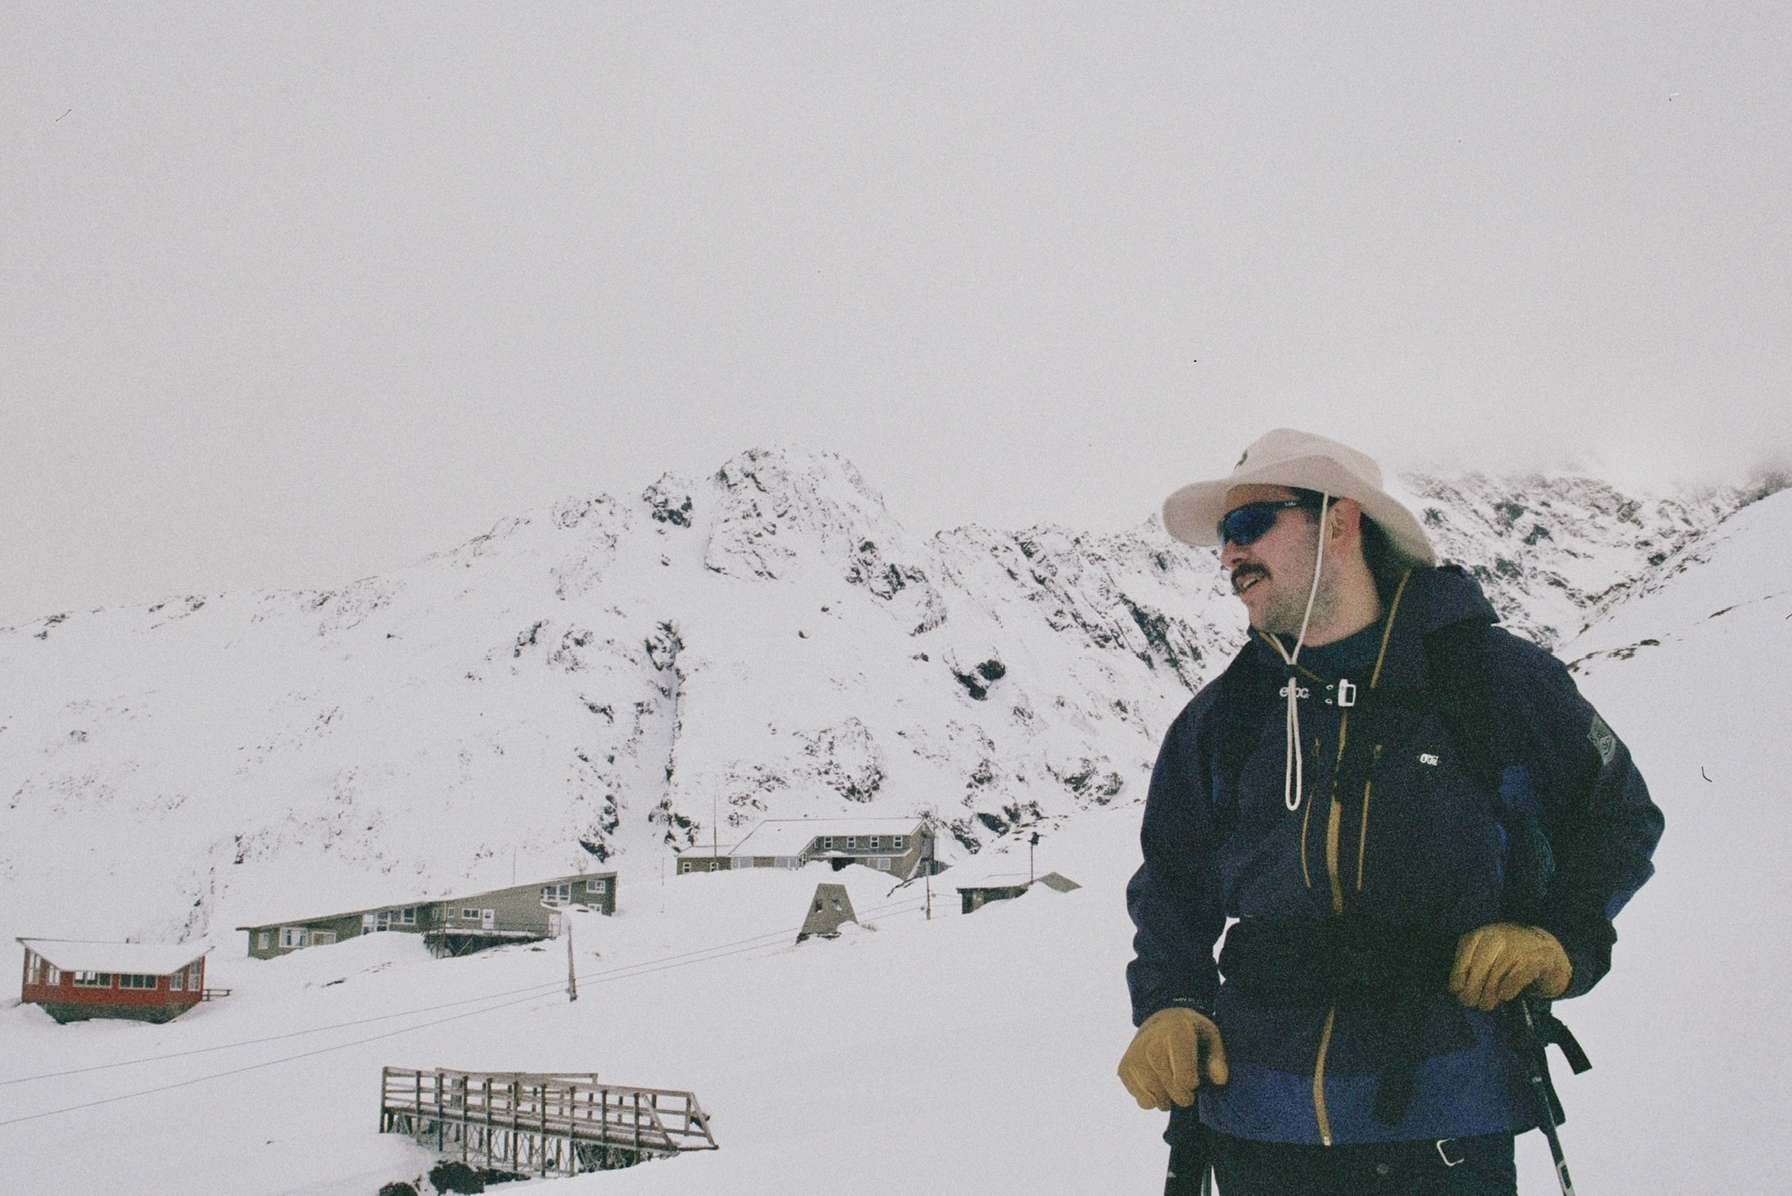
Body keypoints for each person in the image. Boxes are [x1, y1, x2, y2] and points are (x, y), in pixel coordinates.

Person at [1117, 429, 1663, 1195]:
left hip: (1443, 1120)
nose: (1229, 557)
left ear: (1340, 522)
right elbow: (1175, 882)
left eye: (1248, 526)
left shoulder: (1495, 683)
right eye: (1221, 539)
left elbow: (1619, 821)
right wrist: (1169, 1004)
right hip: (1254, 1126)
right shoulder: (1226, 717)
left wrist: (1558, 940)